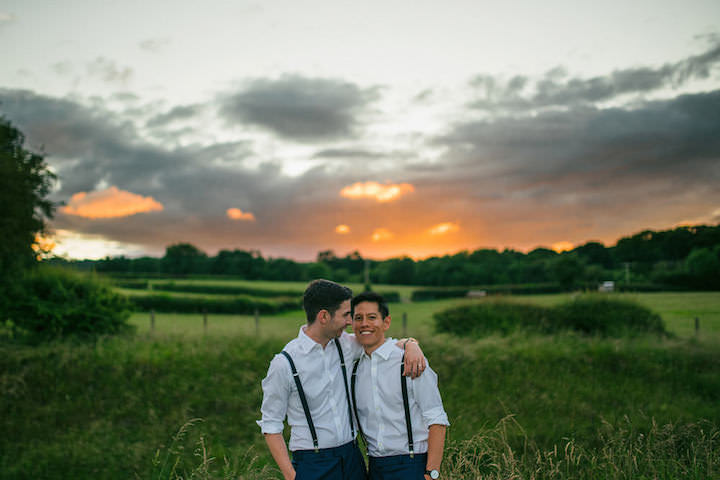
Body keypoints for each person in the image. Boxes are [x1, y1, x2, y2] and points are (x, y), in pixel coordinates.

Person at [257, 279, 427, 480]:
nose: (350, 322)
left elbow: (382, 343)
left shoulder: (345, 345)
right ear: (323, 316)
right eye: (346, 315)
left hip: (352, 458)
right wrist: (291, 475)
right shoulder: (284, 363)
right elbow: (271, 424)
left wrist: (411, 344)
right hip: (312, 462)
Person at [350, 291, 449, 480]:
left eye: (372, 317)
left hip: (412, 465)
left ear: (386, 322)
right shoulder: (354, 368)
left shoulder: (411, 362)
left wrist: (431, 474)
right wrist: (410, 342)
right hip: (375, 467)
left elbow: (437, 419)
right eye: (358, 318)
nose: (364, 324)